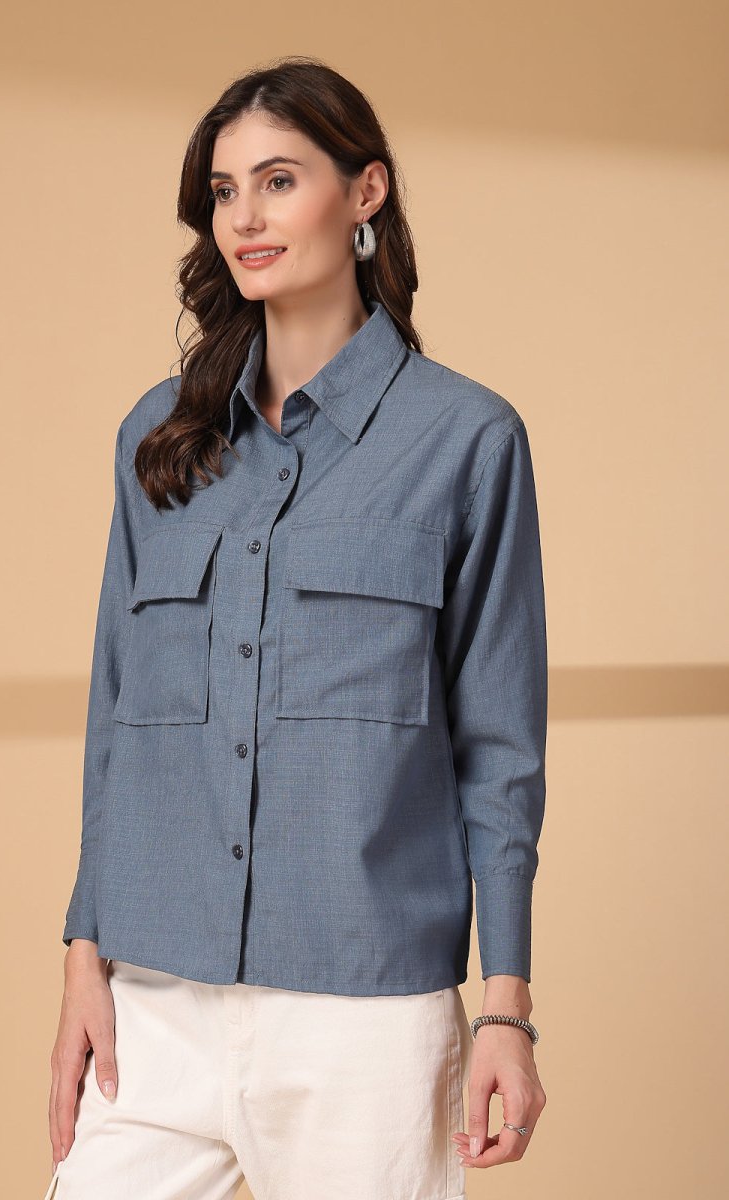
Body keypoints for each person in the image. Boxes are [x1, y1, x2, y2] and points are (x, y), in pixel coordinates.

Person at [45, 56, 548, 1200]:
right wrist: (84, 956)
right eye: (225, 191)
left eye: (278, 181)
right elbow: (117, 717)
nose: (246, 217)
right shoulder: (158, 443)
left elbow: (500, 754)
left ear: (365, 191)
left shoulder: (467, 442)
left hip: (364, 1021)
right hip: (152, 1000)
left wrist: (506, 1008)